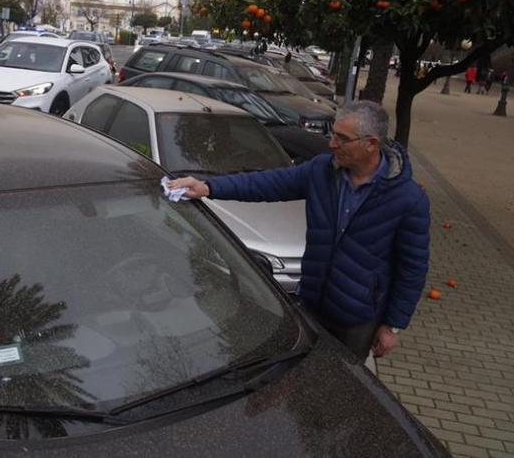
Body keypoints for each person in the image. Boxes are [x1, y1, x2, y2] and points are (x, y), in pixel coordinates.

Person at [167, 101, 430, 360]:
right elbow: (265, 184)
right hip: (311, 304)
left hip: (357, 319)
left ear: (370, 143)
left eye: (342, 138)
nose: (331, 144)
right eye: (333, 134)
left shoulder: (407, 199)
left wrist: (392, 325)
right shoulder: (321, 171)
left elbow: (413, 267)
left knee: (344, 386)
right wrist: (207, 187)